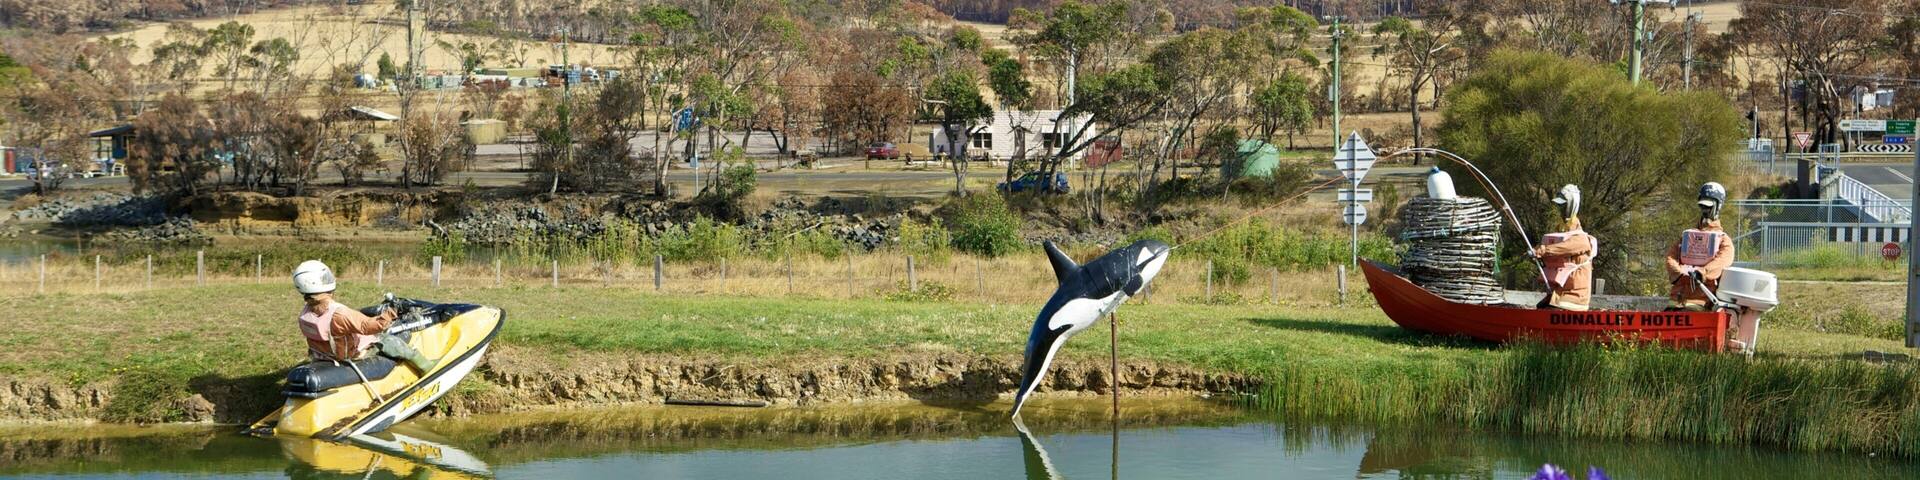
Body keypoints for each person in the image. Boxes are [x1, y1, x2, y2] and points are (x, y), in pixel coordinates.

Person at [293, 260, 437, 373]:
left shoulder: (305, 313)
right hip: (353, 354)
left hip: (326, 355)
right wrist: (392, 312)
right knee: (390, 340)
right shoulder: (339, 314)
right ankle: (425, 366)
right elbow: (371, 327)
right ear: (316, 284)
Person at [1665, 182, 1736, 311]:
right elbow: (1671, 256)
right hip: (1677, 297)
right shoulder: (1686, 236)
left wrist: (1702, 273)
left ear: (1718, 205)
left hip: (1703, 300)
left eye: (1709, 206)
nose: (1705, 209)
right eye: (1702, 205)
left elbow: (1722, 261)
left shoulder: (1723, 240)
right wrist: (1679, 273)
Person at [1531, 184, 1597, 311]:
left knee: (1548, 311)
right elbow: (1550, 245)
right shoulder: (1560, 230)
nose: (1560, 208)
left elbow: (1563, 248)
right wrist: (1536, 251)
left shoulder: (1581, 239)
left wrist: (1543, 250)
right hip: (1559, 294)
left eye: (1563, 205)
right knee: (1541, 307)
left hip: (1575, 298)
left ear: (1571, 205)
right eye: (1560, 205)